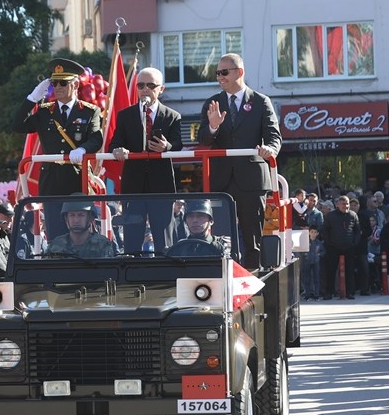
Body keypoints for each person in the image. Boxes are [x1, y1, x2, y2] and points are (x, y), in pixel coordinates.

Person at [197, 52, 281, 269]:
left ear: (240, 72)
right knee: (222, 238)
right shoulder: (212, 103)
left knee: (253, 238)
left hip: (251, 180)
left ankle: (253, 280)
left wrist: (269, 149)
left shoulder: (261, 102)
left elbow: (274, 137)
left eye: (224, 72)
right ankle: (225, 281)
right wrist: (213, 126)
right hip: (220, 180)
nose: (220, 77)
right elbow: (203, 139)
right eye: (217, 73)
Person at [12, 58, 104, 240]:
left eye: (63, 82)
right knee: (55, 232)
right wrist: (31, 99)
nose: (58, 87)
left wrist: (83, 150)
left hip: (77, 178)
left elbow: (96, 138)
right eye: (55, 83)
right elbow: (17, 126)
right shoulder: (45, 112)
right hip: (51, 179)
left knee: (80, 231)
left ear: (76, 84)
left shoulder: (88, 111)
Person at [109, 67, 185, 253]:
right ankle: (132, 275)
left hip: (161, 184)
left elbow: (178, 145)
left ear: (161, 89)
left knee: (163, 237)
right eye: (141, 85)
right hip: (134, 184)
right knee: (133, 236)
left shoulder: (172, 116)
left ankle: (165, 275)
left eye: (151, 85)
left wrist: (166, 147)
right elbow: (114, 143)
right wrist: (118, 149)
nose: (145, 89)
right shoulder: (126, 115)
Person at [45, 199, 116, 258]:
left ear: (90, 218)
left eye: (81, 215)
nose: (76, 220)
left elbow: (108, 272)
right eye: (72, 215)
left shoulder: (102, 245)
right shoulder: (55, 246)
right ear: (66, 219)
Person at [323, 194, 361, 299]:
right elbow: (325, 230)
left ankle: (349, 292)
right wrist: (329, 243)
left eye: (347, 203)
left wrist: (355, 243)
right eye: (343, 204)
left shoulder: (353, 215)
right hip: (333, 246)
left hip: (349, 246)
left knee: (350, 270)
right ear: (338, 205)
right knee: (331, 270)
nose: (346, 206)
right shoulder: (331, 216)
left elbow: (357, 231)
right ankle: (329, 292)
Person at [165, 199, 230, 257]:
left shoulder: (222, 245)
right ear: (185, 221)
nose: (195, 220)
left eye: (200, 216)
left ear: (211, 221)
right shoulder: (179, 248)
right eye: (190, 216)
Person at [301, 226, 323, 301]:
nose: (313, 234)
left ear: (317, 233)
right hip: (307, 261)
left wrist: (319, 255)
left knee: (316, 278)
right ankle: (307, 294)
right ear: (309, 233)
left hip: (316, 262)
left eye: (315, 232)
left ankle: (316, 294)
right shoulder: (305, 242)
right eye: (312, 232)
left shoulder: (319, 243)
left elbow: (323, 251)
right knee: (307, 278)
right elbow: (302, 250)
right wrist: (305, 255)